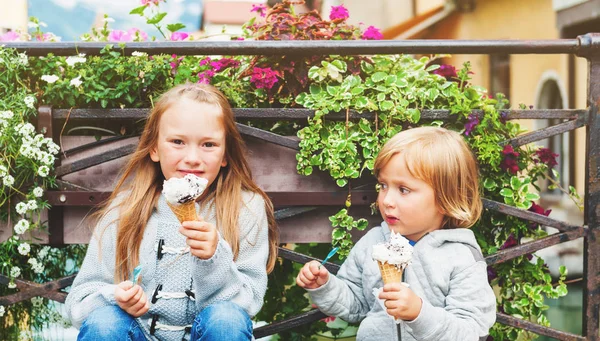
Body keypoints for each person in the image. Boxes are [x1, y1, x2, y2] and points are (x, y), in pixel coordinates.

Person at [65, 83, 279, 341]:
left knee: (226, 320)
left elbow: (247, 304)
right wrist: (114, 296)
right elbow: (78, 304)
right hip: (137, 333)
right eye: (177, 142)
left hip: (209, 332)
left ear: (225, 154)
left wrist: (214, 259)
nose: (192, 157)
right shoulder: (124, 207)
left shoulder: (245, 207)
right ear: (154, 148)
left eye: (208, 144)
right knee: (104, 322)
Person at [296, 126, 496, 340]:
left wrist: (419, 313)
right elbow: (357, 305)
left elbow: (470, 331)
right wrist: (325, 287)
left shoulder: (461, 257)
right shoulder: (373, 242)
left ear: (446, 199)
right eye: (383, 185)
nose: (387, 200)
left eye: (403, 190)